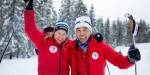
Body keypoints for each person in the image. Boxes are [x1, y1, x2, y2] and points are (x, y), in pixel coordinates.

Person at [73, 16, 141, 75]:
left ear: (90, 31)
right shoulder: (71, 47)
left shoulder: (101, 46)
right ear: (75, 32)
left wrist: (130, 59)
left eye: (85, 30)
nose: (81, 33)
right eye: (78, 30)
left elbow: (119, 61)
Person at [24, 0, 76, 75]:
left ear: (66, 35)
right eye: (59, 33)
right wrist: (29, 10)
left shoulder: (70, 45)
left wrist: (96, 40)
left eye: (64, 34)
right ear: (54, 32)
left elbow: (83, 43)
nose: (60, 36)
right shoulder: (44, 41)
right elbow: (30, 29)